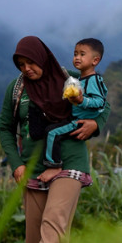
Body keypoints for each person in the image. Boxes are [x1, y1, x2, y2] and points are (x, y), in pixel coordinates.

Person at [0, 36, 110, 243]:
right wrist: (16, 164)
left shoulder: (69, 78)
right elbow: (5, 128)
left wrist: (96, 124)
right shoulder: (17, 88)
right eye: (21, 65)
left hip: (70, 161)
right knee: (35, 237)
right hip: (33, 166)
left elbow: (103, 102)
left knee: (54, 220)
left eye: (31, 63)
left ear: (43, 58)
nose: (26, 69)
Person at [39, 38, 108, 183]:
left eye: (82, 54)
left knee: (51, 132)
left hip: (78, 121)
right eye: (75, 54)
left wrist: (82, 101)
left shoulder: (93, 80)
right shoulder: (79, 79)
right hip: (73, 117)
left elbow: (100, 102)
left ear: (95, 60)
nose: (77, 57)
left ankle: (53, 165)